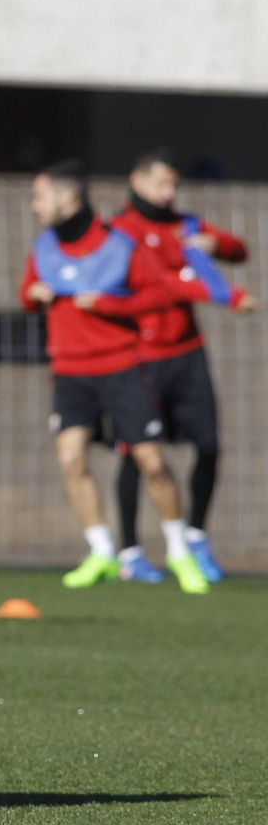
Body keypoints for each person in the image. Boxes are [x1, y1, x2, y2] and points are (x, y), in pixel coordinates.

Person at [18, 161, 252, 594]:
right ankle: (101, 550)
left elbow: (159, 292)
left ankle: (179, 552)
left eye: (40, 196)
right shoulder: (45, 247)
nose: (34, 206)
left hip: (121, 367)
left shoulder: (117, 243)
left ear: (66, 199)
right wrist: (33, 297)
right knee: (71, 458)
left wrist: (107, 304)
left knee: (153, 462)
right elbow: (28, 292)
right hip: (69, 371)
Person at [106, 150, 248, 583]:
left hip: (187, 352)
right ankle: (130, 551)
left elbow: (239, 251)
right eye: (161, 185)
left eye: (173, 186)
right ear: (137, 181)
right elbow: (161, 285)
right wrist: (227, 297)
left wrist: (215, 245)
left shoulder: (184, 225)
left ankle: (196, 535)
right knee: (138, 454)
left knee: (208, 445)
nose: (168, 194)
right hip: (139, 357)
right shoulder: (119, 231)